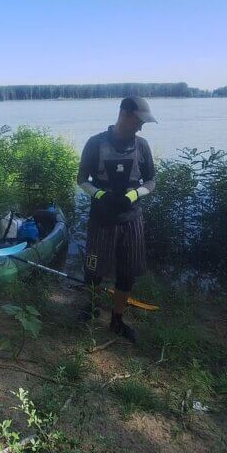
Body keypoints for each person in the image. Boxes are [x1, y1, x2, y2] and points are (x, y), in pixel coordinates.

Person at [76, 97, 157, 342]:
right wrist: (101, 195)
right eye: (139, 121)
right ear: (124, 114)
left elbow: (151, 181)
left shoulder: (142, 146)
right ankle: (91, 307)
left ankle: (117, 320)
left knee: (127, 273)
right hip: (101, 219)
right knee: (94, 271)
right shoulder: (95, 143)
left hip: (131, 220)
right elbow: (82, 179)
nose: (141, 126)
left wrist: (133, 195)